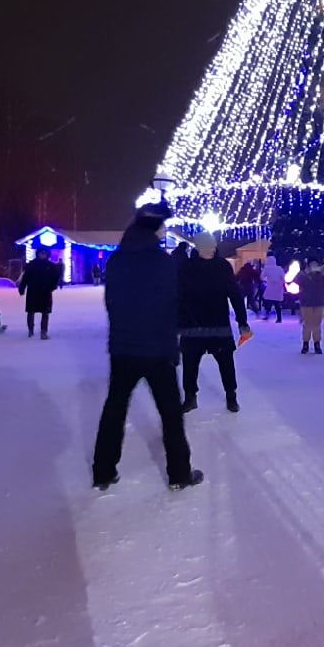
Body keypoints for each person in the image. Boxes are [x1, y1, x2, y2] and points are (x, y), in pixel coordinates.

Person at [92, 203, 203, 491]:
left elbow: (112, 304)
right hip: (157, 349)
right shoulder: (163, 263)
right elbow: (171, 305)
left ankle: (103, 471)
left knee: (114, 409)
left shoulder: (116, 261)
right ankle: (179, 474)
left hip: (123, 348)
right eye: (163, 227)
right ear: (154, 228)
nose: (165, 232)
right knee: (170, 414)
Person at [178, 231, 251, 413]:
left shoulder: (222, 266)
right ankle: (190, 397)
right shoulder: (187, 267)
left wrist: (242, 320)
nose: (210, 249)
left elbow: (234, 294)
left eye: (212, 246)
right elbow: (178, 296)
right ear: (198, 247)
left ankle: (231, 396)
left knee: (226, 362)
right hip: (192, 324)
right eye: (206, 246)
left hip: (218, 322)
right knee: (190, 363)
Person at [19, 248, 61, 339]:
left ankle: (43, 331)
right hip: (33, 291)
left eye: (44, 253)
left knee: (45, 312)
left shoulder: (51, 266)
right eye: (40, 253)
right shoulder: (31, 265)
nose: (42, 255)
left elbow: (56, 277)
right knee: (31, 312)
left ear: (47, 255)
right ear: (37, 254)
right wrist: (22, 288)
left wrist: (53, 286)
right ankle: (30, 330)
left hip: (45, 292)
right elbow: (25, 277)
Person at [297, 256, 324, 354]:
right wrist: (305, 273)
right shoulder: (304, 274)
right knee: (307, 324)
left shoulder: (322, 274)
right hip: (306, 302)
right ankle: (305, 343)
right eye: (312, 264)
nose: (314, 267)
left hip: (319, 302)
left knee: (317, 324)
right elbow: (297, 281)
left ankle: (317, 343)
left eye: (315, 264)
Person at [261, 254, 287, 323]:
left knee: (268, 303)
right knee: (277, 304)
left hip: (270, 289)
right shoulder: (279, 268)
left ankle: (267, 315)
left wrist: (266, 281)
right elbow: (284, 278)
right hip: (278, 289)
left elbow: (261, 277)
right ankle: (279, 318)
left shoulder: (266, 268)